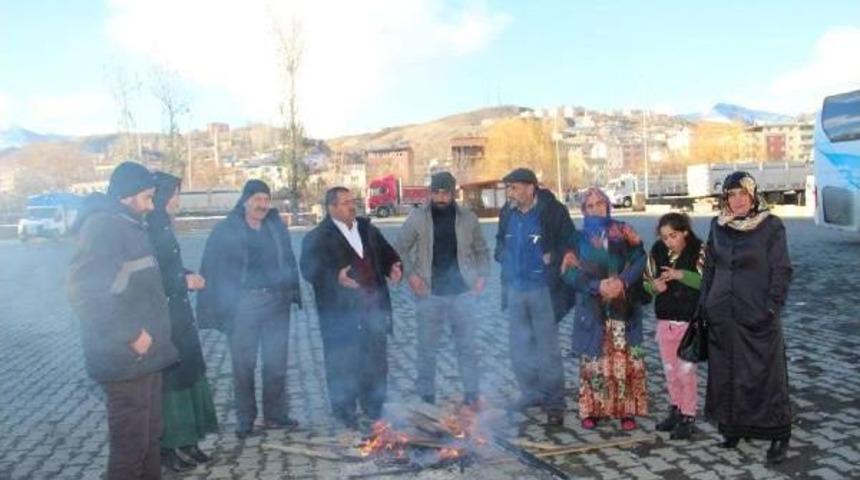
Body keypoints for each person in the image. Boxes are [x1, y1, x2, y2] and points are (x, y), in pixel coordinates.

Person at [68, 161, 179, 480]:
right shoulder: (102, 227)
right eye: (146, 197)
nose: (150, 204)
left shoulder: (129, 224)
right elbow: (86, 292)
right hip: (125, 358)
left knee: (151, 438)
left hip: (148, 356)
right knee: (130, 449)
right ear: (126, 196)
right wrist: (130, 334)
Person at [196, 179, 301, 439]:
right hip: (244, 305)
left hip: (276, 302)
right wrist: (218, 305)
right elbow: (211, 266)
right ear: (245, 200)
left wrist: (291, 291)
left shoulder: (275, 227)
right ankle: (246, 420)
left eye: (266, 200)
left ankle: (275, 415)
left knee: (276, 362)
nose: (263, 205)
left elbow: (287, 258)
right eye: (257, 199)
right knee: (244, 365)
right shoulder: (227, 230)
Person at [700, 171, 793, 464]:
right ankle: (734, 427)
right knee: (727, 372)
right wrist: (705, 303)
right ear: (724, 198)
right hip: (722, 314)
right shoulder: (719, 226)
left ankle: (778, 433)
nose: (737, 200)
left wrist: (771, 308)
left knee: (766, 374)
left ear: (753, 196)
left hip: (757, 313)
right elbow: (710, 267)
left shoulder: (771, 226)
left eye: (743, 194)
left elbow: (782, 269)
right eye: (731, 194)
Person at [300, 187, 402, 429]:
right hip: (340, 313)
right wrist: (335, 276)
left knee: (375, 360)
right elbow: (309, 270)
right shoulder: (317, 237)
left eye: (352, 201)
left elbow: (387, 254)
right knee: (343, 361)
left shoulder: (367, 229)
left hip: (373, 307)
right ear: (331, 208)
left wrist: (394, 266)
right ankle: (345, 411)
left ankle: (374, 407)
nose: (351, 206)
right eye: (345, 203)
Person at [395, 172, 490, 406]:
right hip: (429, 295)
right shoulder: (417, 217)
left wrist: (482, 276)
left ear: (453, 193)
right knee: (427, 349)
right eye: (436, 192)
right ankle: (426, 397)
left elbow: (482, 250)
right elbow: (400, 248)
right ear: (430, 193)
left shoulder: (469, 218)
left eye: (445, 192)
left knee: (467, 347)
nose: (440, 197)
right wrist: (411, 276)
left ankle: (472, 395)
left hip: (463, 294)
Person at [494, 168, 576, 426]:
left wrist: (554, 254)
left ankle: (554, 403)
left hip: (544, 290)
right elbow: (499, 242)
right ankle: (531, 392)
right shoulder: (507, 212)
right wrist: (502, 255)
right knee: (519, 346)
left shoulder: (553, 210)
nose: (510, 193)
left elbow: (571, 241)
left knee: (547, 350)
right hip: (516, 290)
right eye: (508, 188)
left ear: (531, 188)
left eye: (514, 188)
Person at [147, 172, 218, 471]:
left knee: (190, 371)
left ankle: (189, 441)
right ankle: (169, 447)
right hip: (164, 316)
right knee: (173, 379)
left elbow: (171, 265)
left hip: (179, 312)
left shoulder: (163, 223)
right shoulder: (151, 226)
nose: (178, 200)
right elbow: (152, 275)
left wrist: (188, 273)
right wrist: (183, 279)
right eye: (174, 194)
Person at [562, 187, 648, 431]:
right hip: (592, 307)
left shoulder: (624, 230)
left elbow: (641, 258)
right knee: (594, 360)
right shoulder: (576, 239)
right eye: (590, 205)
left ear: (608, 205)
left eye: (600, 203)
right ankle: (594, 409)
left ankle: (626, 411)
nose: (596, 208)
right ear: (583, 210)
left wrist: (623, 281)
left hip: (623, 306)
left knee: (625, 359)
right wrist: (596, 286)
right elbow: (568, 272)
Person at [644, 212, 704, 440]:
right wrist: (653, 287)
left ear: (685, 232)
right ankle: (676, 409)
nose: (669, 241)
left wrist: (681, 275)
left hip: (689, 322)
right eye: (665, 237)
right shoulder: (658, 251)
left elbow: (707, 281)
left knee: (686, 371)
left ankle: (689, 415)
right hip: (665, 320)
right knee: (670, 370)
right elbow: (646, 280)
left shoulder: (699, 250)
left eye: (673, 236)